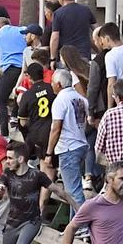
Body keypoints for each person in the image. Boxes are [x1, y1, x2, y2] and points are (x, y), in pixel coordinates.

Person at [45, 67, 92, 205]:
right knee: (72, 190)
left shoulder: (60, 100)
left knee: (74, 192)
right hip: (81, 144)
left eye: (52, 82)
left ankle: (83, 225)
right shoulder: (81, 98)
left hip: (68, 148)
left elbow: (56, 128)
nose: (51, 84)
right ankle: (75, 224)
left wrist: (48, 153)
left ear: (58, 84)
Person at [48, 0, 94, 64]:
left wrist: (52, 58)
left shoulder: (58, 14)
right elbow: (96, 30)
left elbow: (55, 37)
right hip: (84, 55)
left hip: (66, 57)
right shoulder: (86, 10)